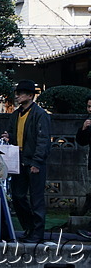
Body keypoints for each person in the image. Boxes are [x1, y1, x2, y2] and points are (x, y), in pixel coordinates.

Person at [3, 80, 51, 243]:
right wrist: (8, 137)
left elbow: (43, 140)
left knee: (36, 199)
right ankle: (29, 227)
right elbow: (11, 132)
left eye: (21, 93)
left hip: (33, 161)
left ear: (30, 96)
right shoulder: (16, 114)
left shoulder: (40, 114)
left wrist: (37, 162)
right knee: (17, 196)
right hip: (18, 159)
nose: (17, 96)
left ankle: (37, 233)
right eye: (17, 93)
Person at [75, 95, 91, 239]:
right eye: (89, 106)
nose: (90, 109)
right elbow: (81, 141)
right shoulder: (88, 121)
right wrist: (84, 128)